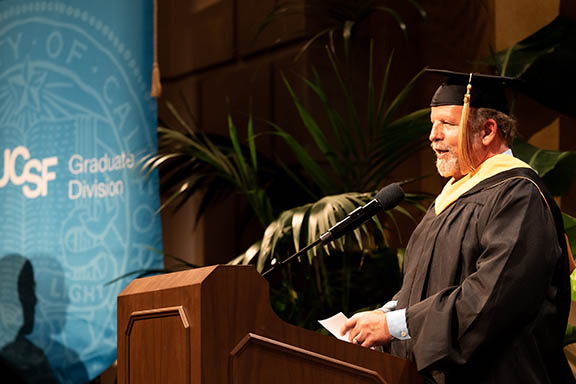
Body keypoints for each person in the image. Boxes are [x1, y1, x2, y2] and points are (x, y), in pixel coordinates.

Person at [341, 70, 575, 383]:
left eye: (447, 124)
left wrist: (396, 326)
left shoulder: (518, 195)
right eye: (432, 124)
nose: (432, 136)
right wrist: (385, 314)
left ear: (488, 131)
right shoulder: (450, 198)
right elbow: (423, 288)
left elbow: (490, 301)